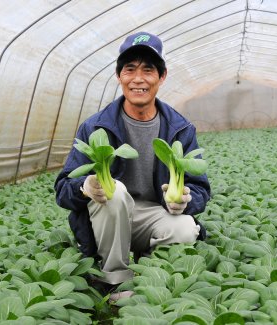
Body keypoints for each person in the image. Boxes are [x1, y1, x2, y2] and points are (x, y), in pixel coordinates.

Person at [54, 31, 211, 302]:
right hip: (110, 218)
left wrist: (186, 199)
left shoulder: (180, 128)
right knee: (113, 191)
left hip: (154, 215)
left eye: (148, 70)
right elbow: (62, 189)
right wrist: (85, 186)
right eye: (130, 69)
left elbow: (200, 188)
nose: (138, 79)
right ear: (119, 76)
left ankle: (150, 276)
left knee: (185, 228)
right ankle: (114, 280)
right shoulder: (95, 126)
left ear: (161, 77)